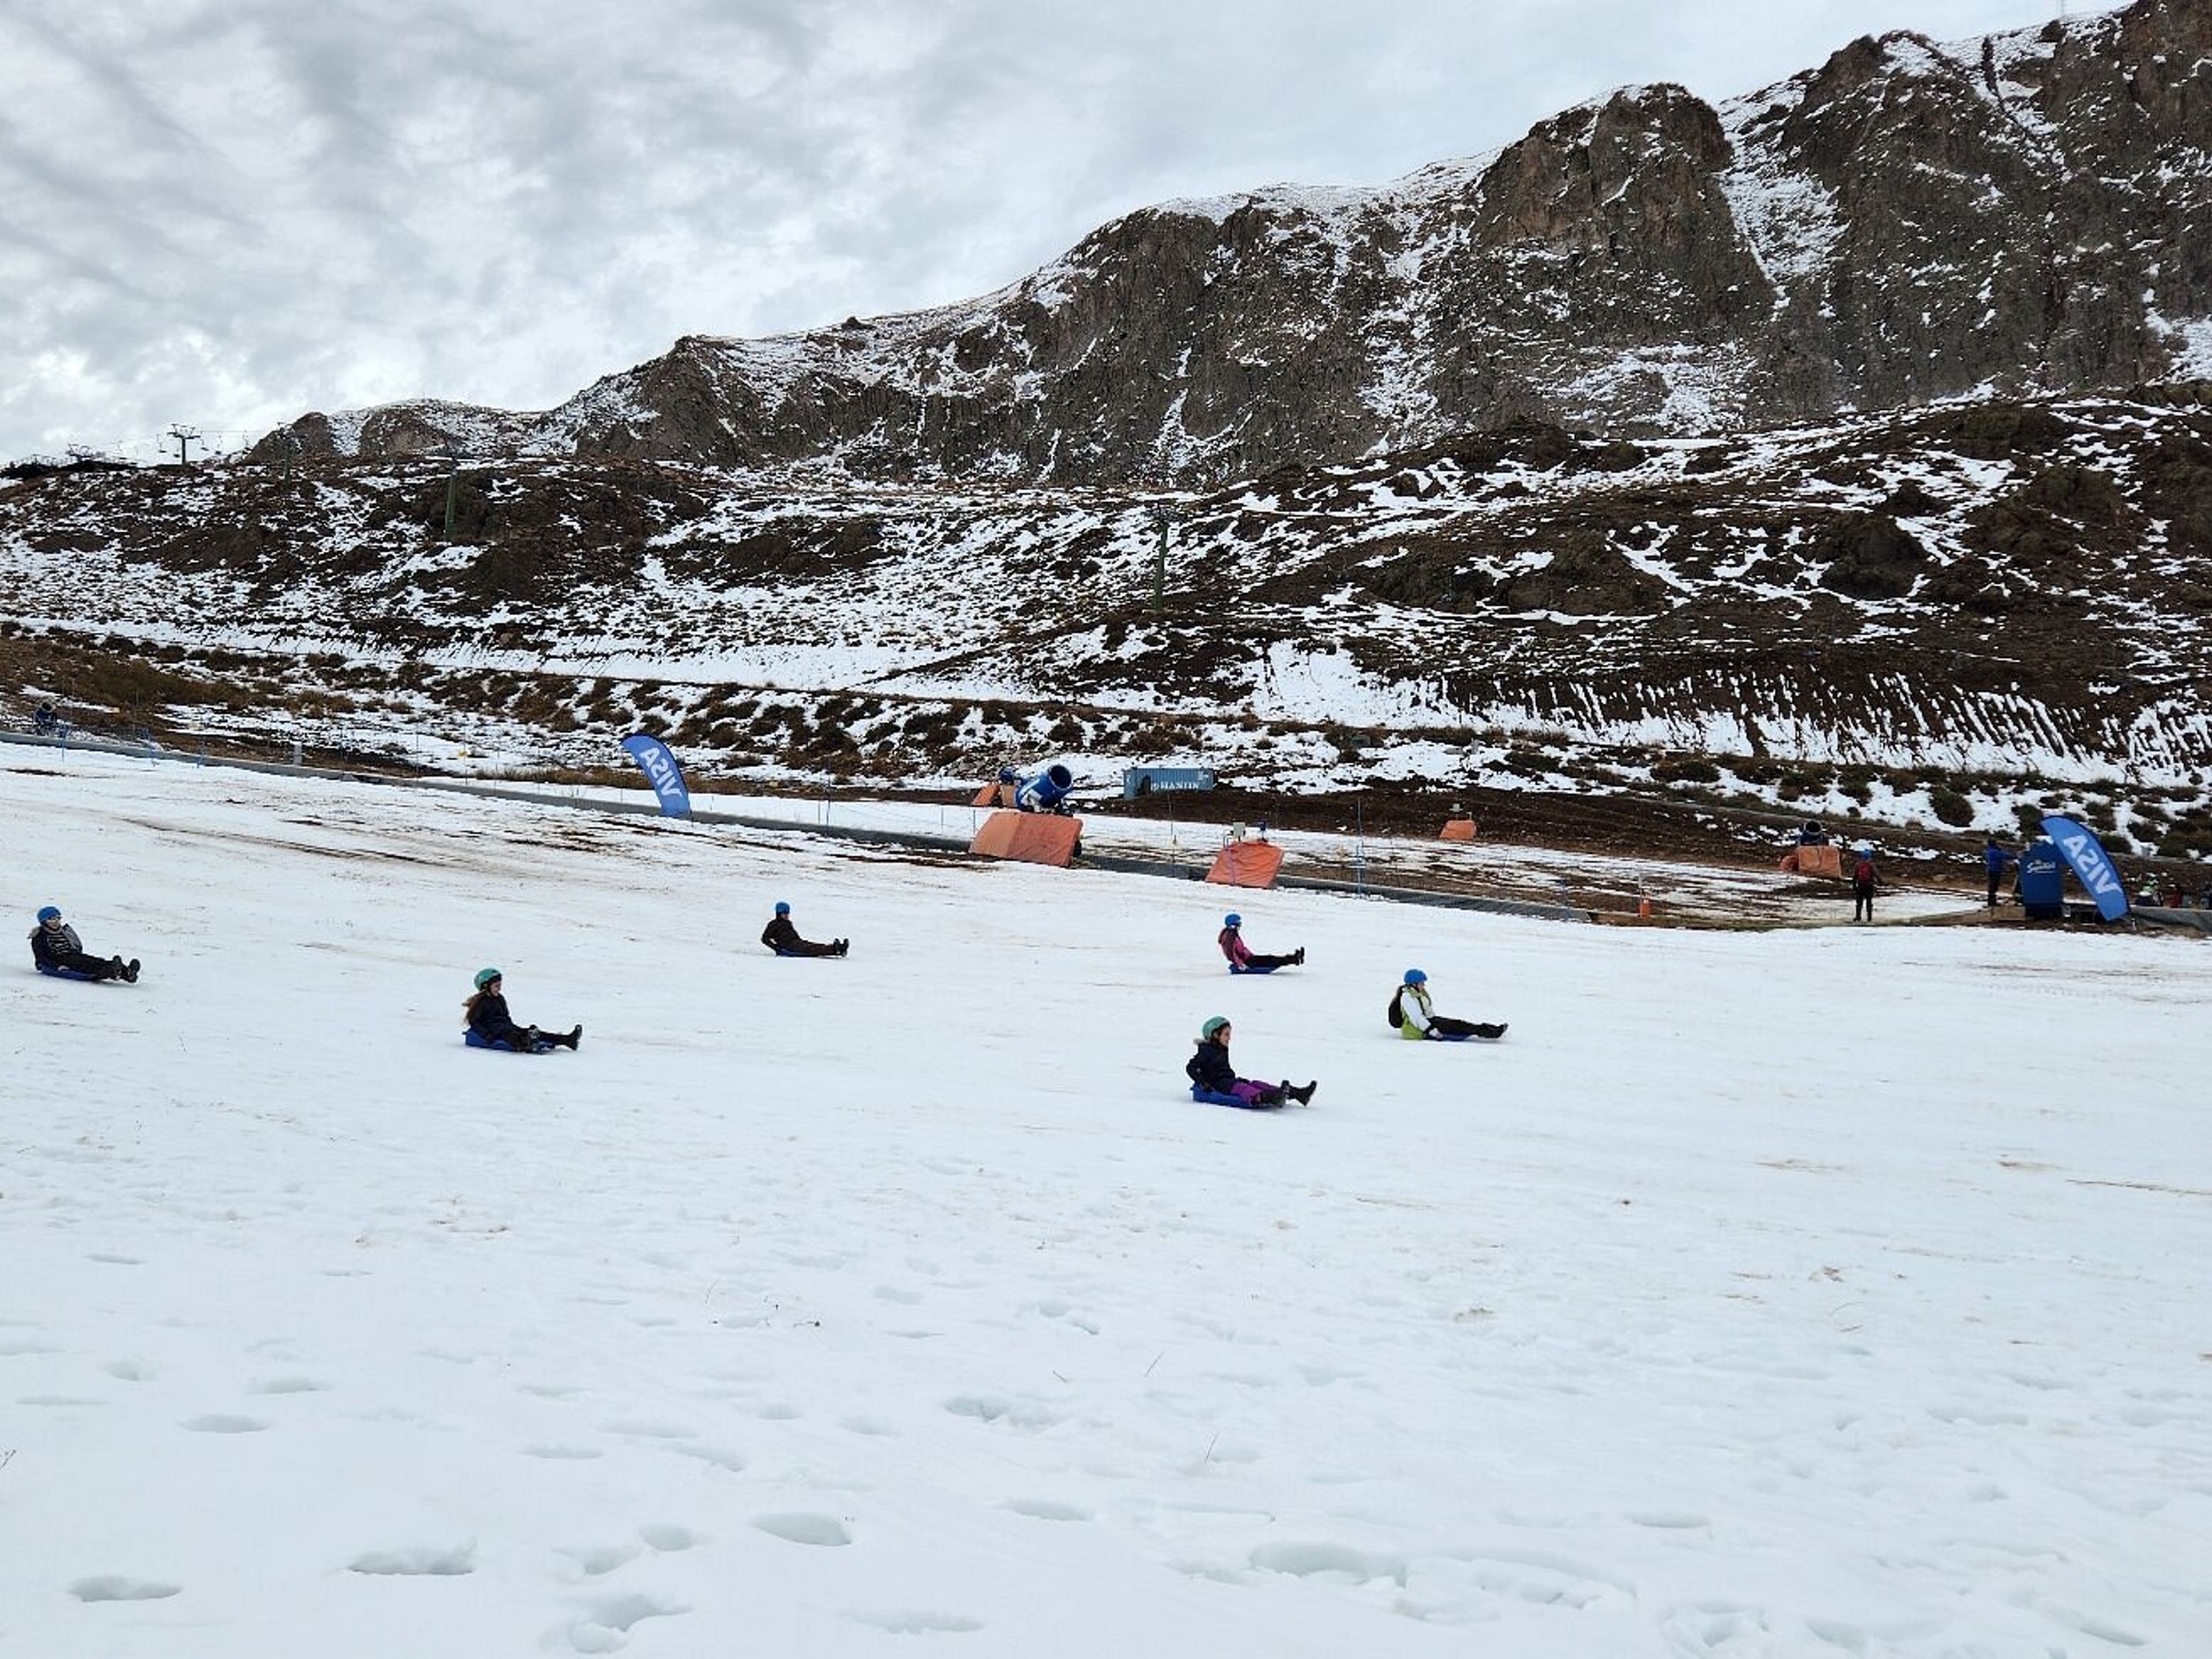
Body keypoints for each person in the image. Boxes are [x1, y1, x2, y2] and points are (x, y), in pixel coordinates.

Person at [1185, 1016, 1315, 1107]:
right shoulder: (1206, 1051)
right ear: (1215, 1035)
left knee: (1256, 1084)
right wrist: (1203, 1082)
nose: (1230, 1038)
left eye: (1230, 1034)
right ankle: (1270, 1098)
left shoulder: (1220, 1048)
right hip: (1218, 1085)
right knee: (1243, 1088)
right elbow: (1191, 1067)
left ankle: (1299, 1094)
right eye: (1226, 1034)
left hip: (1228, 1081)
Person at [464, 967, 579, 1052]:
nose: (499, 989)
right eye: (496, 986)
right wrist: (487, 1036)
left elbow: (506, 1016)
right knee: (510, 1035)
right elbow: (474, 1022)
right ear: (485, 987)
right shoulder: (480, 1002)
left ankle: (568, 1040)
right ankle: (527, 1043)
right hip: (494, 1031)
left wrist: (512, 1026)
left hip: (506, 1026)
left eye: (500, 985)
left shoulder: (500, 999)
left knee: (530, 1032)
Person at [1392, 968, 1505, 1041]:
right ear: (1414, 984)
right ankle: (1493, 1032)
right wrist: (1433, 1031)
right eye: (1422, 983)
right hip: (1418, 1031)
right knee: (1459, 1027)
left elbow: (1426, 1012)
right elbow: (1417, 1018)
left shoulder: (1418, 993)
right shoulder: (1408, 997)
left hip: (1430, 1021)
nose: (1424, 985)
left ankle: (1492, 1030)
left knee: (1459, 1024)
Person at [29, 905, 137, 982]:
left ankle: (127, 972)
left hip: (73, 955)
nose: (56, 921)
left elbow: (74, 944)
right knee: (87, 966)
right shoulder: (39, 935)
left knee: (95, 960)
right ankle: (113, 971)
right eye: (52, 919)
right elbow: (41, 957)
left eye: (58, 918)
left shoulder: (63, 931)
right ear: (44, 921)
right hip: (59, 959)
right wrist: (57, 967)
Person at [1218, 912, 1303, 972]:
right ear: (1234, 924)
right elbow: (1231, 953)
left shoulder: (1232, 934)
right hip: (1246, 962)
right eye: (1239, 923)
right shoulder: (1230, 937)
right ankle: (1295, 959)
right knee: (1270, 961)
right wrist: (1241, 965)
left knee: (1270, 958)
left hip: (1248, 959)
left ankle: (1294, 958)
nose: (1240, 925)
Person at [761, 900, 846, 958]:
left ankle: (840, 948)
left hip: (796, 942)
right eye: (785, 913)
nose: (787, 915)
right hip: (788, 947)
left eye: (788, 913)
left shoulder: (788, 923)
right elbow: (765, 939)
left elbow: (793, 935)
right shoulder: (773, 924)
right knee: (812, 950)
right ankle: (835, 949)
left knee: (814, 946)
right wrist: (777, 948)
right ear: (779, 914)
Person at [1982, 835, 2018, 908]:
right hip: (1995, 871)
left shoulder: (1989, 851)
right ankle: (1992, 903)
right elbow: (2005, 855)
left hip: (1991, 870)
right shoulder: (1994, 852)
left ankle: (1992, 901)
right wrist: (2017, 856)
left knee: (1992, 887)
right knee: (1993, 887)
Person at [1850, 843, 1879, 922]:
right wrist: (1881, 882)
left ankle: (1858, 917)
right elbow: (1877, 875)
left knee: (1859, 903)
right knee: (1869, 902)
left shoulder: (1858, 865)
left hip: (1861, 885)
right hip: (1869, 885)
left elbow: (1855, 876)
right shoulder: (1871, 865)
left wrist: (1854, 886)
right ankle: (1869, 918)